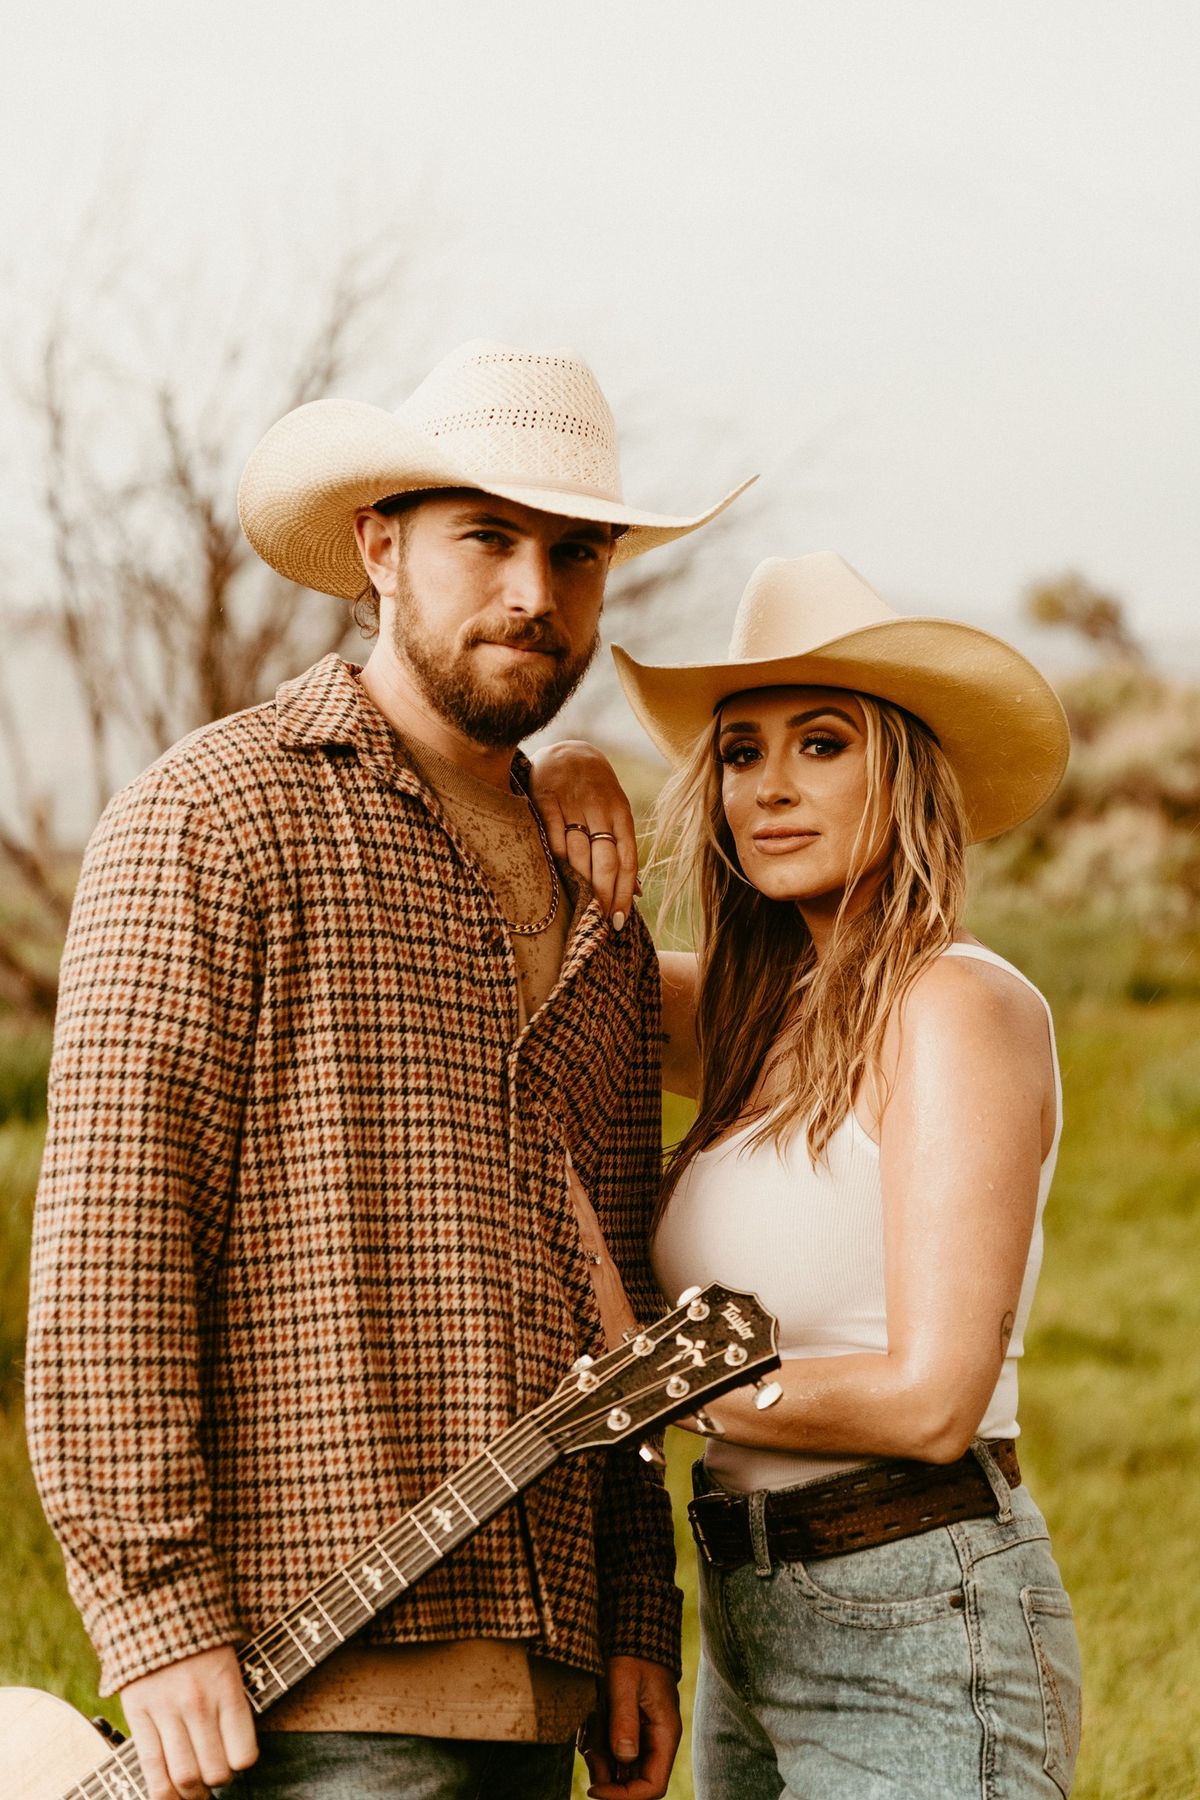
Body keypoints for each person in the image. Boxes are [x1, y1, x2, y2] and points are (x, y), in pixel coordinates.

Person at [25, 337, 753, 1800]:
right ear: (378, 546)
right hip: (295, 1673)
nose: (534, 593)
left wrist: (632, 1615)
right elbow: (115, 1245)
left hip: (538, 1689)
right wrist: (156, 1613)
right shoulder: (215, 821)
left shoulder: (599, 901)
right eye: (487, 536)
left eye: (576, 551)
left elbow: (604, 1281)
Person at [535, 551, 1083, 1798]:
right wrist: (562, 773)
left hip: (917, 1611)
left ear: (902, 768)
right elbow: (549, 951)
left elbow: (931, 1399)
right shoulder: (758, 1016)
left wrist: (653, 1386)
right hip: (752, 1603)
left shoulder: (952, 1006)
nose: (771, 790)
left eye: (822, 744)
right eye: (741, 753)